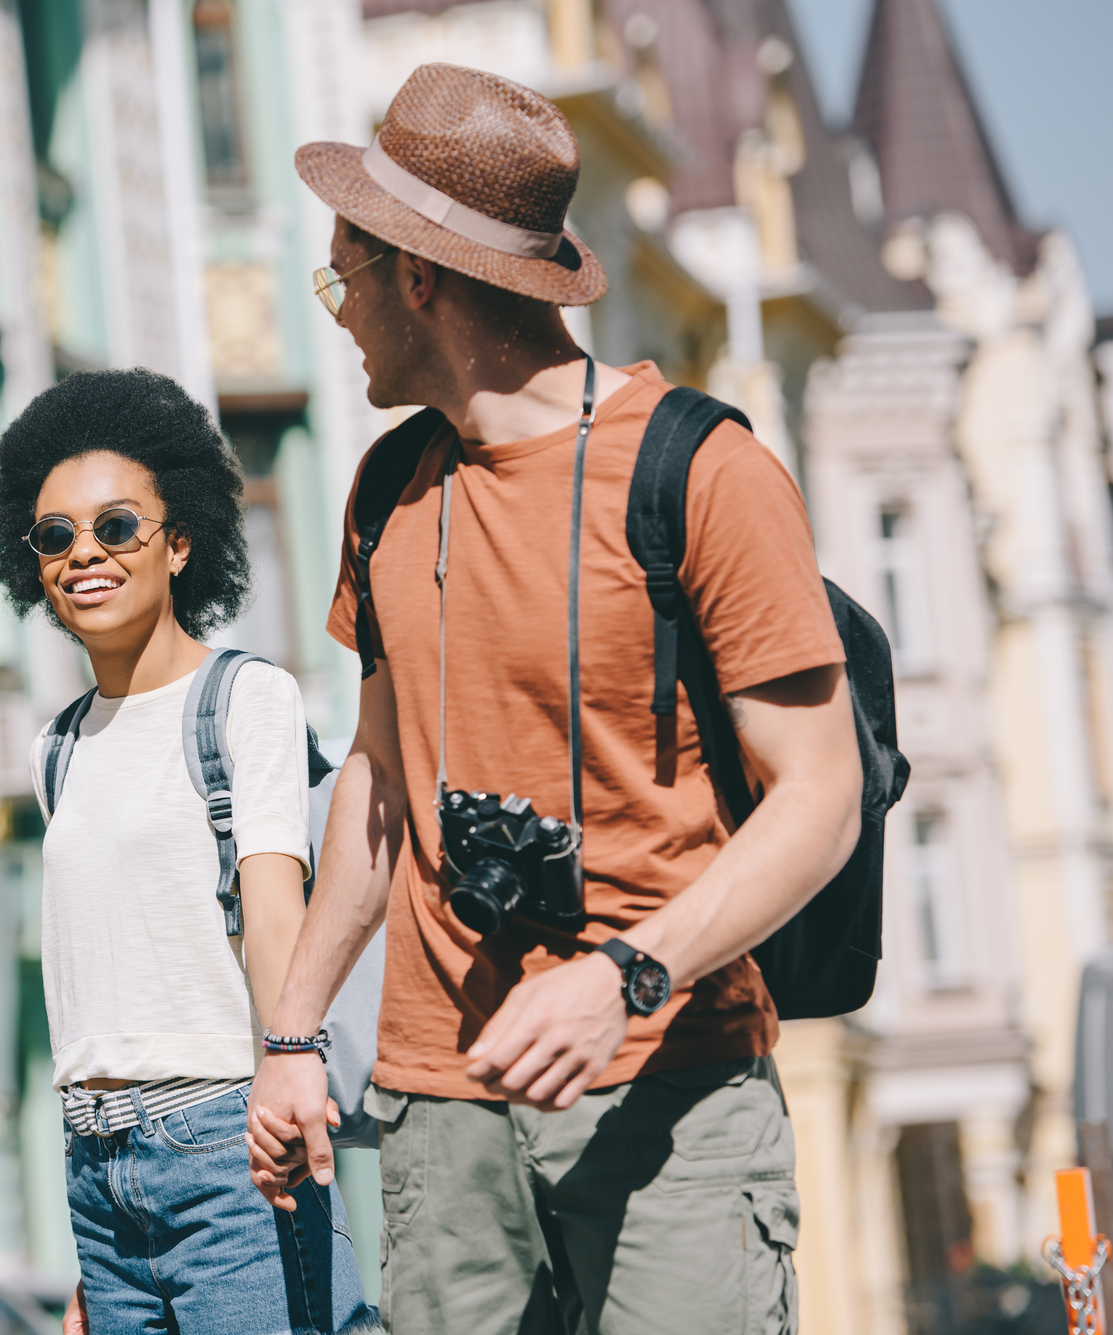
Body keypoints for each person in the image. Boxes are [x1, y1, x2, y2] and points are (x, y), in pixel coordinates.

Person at [244, 64, 863, 1334]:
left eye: (344, 278)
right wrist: (293, 1031)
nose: (341, 314)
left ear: (418, 279)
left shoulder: (702, 471)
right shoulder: (385, 486)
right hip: (437, 1114)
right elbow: (374, 778)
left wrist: (621, 976)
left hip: (668, 1095)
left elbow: (821, 798)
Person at [0, 369, 377, 1335]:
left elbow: (275, 905)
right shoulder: (58, 749)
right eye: (55, 535)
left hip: (228, 1148)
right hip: (97, 1167)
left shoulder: (246, 699)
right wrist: (98, 1244)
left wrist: (293, 1066)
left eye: (117, 526)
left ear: (181, 540)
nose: (86, 553)